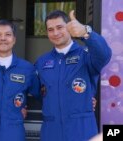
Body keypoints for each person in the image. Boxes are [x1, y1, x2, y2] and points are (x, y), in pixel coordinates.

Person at [34, 10, 112, 141]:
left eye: (60, 27)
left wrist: (85, 33)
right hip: (51, 132)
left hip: (82, 130)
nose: (55, 33)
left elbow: (104, 55)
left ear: (69, 27)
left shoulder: (86, 55)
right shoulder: (41, 62)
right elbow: (36, 91)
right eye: (50, 29)